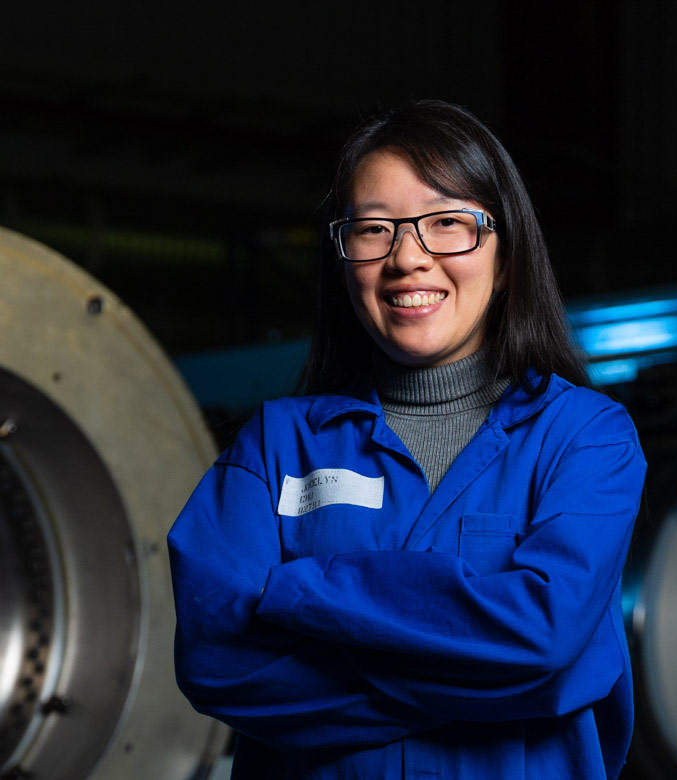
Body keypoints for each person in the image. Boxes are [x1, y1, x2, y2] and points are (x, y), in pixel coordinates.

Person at [168, 99, 646, 779]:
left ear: (506, 253)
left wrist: (300, 593)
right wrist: (502, 683)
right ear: (345, 260)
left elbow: (546, 636)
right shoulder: (276, 446)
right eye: (374, 230)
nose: (408, 259)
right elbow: (216, 657)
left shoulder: (583, 440)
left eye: (447, 223)